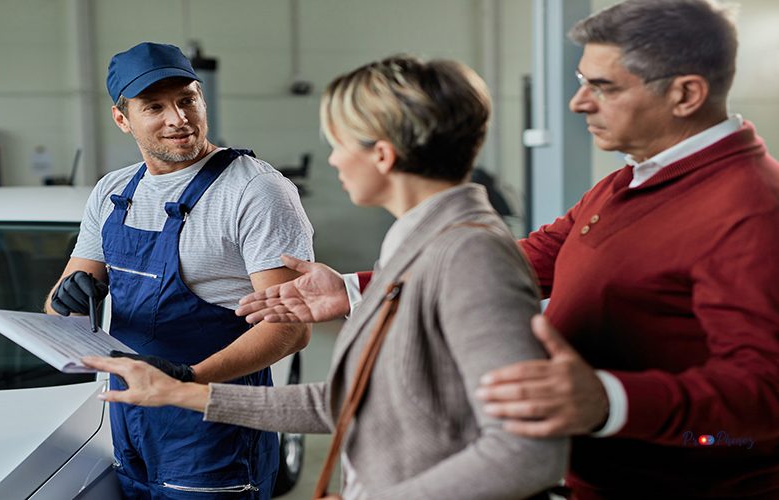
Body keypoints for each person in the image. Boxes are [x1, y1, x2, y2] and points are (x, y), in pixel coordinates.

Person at [232, 1, 779, 497]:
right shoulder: (627, 184)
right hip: (598, 477)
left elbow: (765, 394)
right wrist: (355, 289)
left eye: (603, 86)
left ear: (685, 93)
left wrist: (612, 401)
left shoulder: (749, 207)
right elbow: (531, 258)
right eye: (580, 80)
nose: (578, 102)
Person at [84, 55, 568, 499]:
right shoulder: (414, 246)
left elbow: (527, 454)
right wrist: (183, 392)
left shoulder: (471, 255)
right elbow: (350, 400)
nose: (333, 159)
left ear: (382, 155)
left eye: (337, 143)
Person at [44, 42, 314, 498]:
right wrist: (68, 296)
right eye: (154, 106)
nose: (178, 119)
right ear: (122, 118)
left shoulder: (255, 190)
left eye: (187, 100)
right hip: (131, 418)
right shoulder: (113, 191)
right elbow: (58, 310)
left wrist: (185, 382)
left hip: (216, 422)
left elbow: (291, 329)